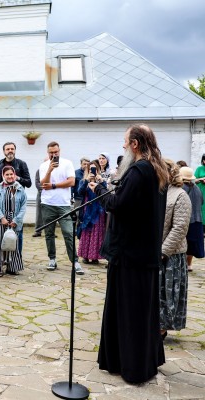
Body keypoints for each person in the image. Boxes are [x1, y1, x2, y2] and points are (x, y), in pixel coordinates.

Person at [89, 124, 167, 384]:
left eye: (125, 141)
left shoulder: (139, 170)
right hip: (143, 253)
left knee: (130, 313)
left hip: (131, 255)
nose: (123, 146)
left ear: (135, 144)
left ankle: (132, 366)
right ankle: (141, 362)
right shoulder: (156, 169)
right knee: (141, 312)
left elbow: (119, 205)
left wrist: (99, 190)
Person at [39, 142, 84, 275]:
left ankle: (75, 261)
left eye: (56, 152)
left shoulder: (67, 163)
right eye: (51, 153)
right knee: (49, 233)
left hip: (63, 204)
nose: (54, 155)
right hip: (47, 203)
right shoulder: (43, 166)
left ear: (59, 151)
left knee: (69, 233)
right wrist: (49, 170)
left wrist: (53, 185)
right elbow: (43, 183)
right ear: (48, 153)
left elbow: (72, 182)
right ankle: (52, 259)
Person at [160, 159, 190, 340]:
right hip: (154, 252)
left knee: (167, 293)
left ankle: (161, 329)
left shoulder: (180, 195)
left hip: (170, 255)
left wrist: (163, 251)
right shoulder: (158, 193)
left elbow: (180, 227)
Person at [0, 166, 27, 276]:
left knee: (13, 243)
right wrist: (1, 218)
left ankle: (12, 267)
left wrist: (16, 220)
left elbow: (23, 206)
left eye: (11, 174)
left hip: (14, 221)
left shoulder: (20, 188)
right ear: (3, 176)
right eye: (7, 174)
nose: (9, 176)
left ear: (14, 175)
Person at [77, 160, 107, 264]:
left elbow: (106, 192)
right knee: (86, 231)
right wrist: (86, 181)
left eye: (94, 169)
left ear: (98, 170)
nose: (92, 171)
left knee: (97, 232)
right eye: (90, 169)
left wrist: (102, 181)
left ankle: (95, 256)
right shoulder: (84, 181)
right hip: (87, 209)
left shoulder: (100, 181)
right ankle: (85, 255)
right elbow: (80, 192)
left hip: (98, 209)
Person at [180, 166, 204, 272]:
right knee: (192, 244)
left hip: (187, 220)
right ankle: (189, 265)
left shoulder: (181, 189)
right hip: (198, 220)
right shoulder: (197, 188)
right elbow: (202, 202)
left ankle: (183, 265)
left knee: (184, 243)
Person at [193, 153, 205, 234]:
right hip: (201, 192)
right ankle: (202, 228)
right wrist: (201, 179)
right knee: (202, 208)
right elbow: (194, 181)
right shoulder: (199, 169)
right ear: (203, 161)